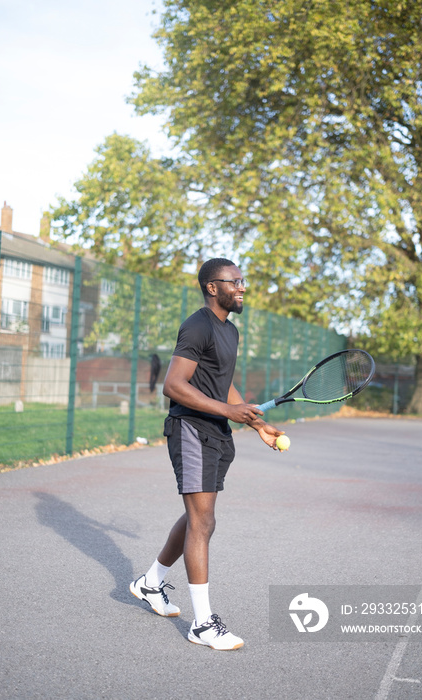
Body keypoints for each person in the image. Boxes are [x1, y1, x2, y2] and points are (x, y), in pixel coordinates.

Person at [130, 258, 284, 650]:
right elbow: (174, 385)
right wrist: (229, 412)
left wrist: (255, 423)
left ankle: (150, 583)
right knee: (204, 520)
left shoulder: (229, 332)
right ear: (212, 287)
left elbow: (221, 384)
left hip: (215, 432)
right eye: (234, 281)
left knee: (197, 515)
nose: (242, 287)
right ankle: (202, 624)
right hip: (190, 429)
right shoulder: (197, 325)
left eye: (242, 280)